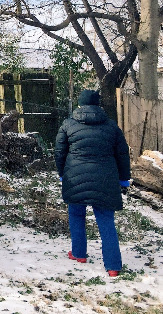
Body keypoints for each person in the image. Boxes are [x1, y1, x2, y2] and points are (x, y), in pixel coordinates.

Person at [55, 89, 131, 277]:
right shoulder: (112, 126)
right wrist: (124, 178)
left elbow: (59, 152)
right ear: (98, 104)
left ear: (80, 104)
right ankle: (113, 266)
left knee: (76, 215)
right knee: (106, 220)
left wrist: (62, 174)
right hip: (106, 179)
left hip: (75, 177)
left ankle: (79, 253)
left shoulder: (68, 124)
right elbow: (122, 154)